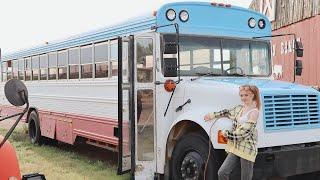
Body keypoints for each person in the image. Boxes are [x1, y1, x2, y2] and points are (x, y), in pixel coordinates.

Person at [204, 84, 261, 180]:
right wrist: (212, 115)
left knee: (245, 178)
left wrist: (227, 134)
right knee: (222, 172)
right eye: (241, 95)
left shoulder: (254, 112)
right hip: (236, 147)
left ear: (252, 95)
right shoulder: (239, 108)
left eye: (246, 95)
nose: (243, 98)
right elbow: (226, 112)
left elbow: (244, 133)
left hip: (247, 148)